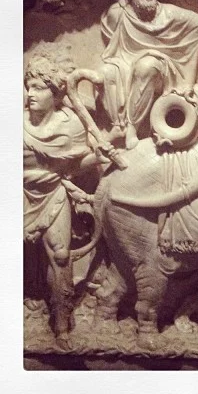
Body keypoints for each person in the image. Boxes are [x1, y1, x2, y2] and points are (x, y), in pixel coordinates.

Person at [24, 44, 114, 348]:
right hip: (18, 195)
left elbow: (73, 165)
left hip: (53, 194)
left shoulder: (71, 125)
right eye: (28, 87)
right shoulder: (14, 122)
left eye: (38, 88)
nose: (30, 94)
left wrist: (100, 153)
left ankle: (61, 324)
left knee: (61, 256)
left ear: (55, 93)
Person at [100, 0, 198, 148]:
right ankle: (118, 126)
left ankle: (132, 129)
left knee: (147, 66)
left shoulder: (168, 13)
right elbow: (113, 45)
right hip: (126, 62)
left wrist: (187, 78)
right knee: (107, 71)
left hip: (162, 68)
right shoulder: (118, 13)